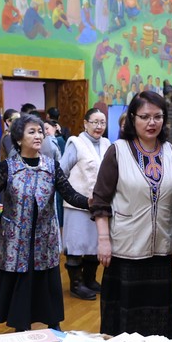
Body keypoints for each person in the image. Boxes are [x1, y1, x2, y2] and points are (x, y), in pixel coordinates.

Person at [0, 114, 90, 330]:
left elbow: (71, 195)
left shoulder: (51, 166)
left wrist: (92, 202)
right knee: (22, 285)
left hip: (44, 239)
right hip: (16, 240)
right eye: (32, 132)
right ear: (19, 139)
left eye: (40, 132)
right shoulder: (8, 167)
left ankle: (54, 327)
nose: (38, 136)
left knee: (46, 283)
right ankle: (21, 328)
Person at [89, 91, 172, 339]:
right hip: (125, 250)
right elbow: (100, 200)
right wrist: (103, 240)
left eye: (157, 117)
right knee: (125, 318)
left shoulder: (171, 152)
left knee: (158, 317)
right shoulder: (118, 151)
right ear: (132, 118)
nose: (152, 123)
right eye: (144, 117)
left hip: (160, 250)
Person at [61, 108, 109, 300]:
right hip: (77, 205)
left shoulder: (107, 143)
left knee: (93, 244)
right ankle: (76, 284)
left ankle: (90, 280)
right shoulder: (76, 143)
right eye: (95, 122)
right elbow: (61, 171)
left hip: (99, 205)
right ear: (85, 124)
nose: (99, 126)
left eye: (102, 122)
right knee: (76, 245)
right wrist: (71, 194)